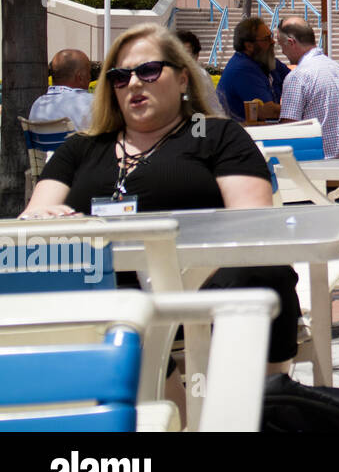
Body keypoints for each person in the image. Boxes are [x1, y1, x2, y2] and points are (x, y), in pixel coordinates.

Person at [21, 24, 301, 374]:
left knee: (262, 267)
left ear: (183, 79)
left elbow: (252, 225)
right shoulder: (82, 147)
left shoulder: (215, 135)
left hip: (197, 287)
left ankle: (260, 400)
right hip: (103, 295)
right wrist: (47, 220)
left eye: (149, 70)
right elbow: (32, 221)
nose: (134, 82)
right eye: (120, 76)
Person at [276, 17, 339, 159]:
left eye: (281, 46)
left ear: (291, 43)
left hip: (318, 162)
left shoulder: (298, 76)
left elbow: (288, 129)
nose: (282, 52)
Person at [216, 17, 289, 121]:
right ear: (249, 46)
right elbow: (267, 111)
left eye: (271, 36)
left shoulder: (266, 60)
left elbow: (296, 79)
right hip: (241, 133)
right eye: (266, 39)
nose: (273, 42)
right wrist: (298, 109)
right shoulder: (242, 70)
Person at [29, 48, 94, 131]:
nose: (90, 77)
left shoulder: (38, 104)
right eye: (89, 72)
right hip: (77, 143)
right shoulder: (91, 102)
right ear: (80, 77)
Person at [175, 30, 223, 119]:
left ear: (196, 56)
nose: (181, 60)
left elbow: (216, 110)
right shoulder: (164, 79)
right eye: (177, 55)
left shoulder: (201, 76)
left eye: (186, 55)